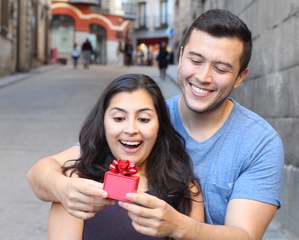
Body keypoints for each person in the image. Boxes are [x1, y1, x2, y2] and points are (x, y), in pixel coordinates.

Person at [27, 9, 284, 240]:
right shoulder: (149, 114)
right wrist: (64, 189)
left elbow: (246, 236)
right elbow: (44, 171)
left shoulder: (259, 143)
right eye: (196, 60)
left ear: (241, 77)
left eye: (221, 68)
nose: (203, 77)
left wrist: (179, 227)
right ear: (180, 55)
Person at [47, 74, 204, 239]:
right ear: (103, 123)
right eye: (119, 118)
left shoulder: (185, 190)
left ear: (159, 126)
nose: (131, 129)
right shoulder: (74, 188)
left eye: (143, 119)